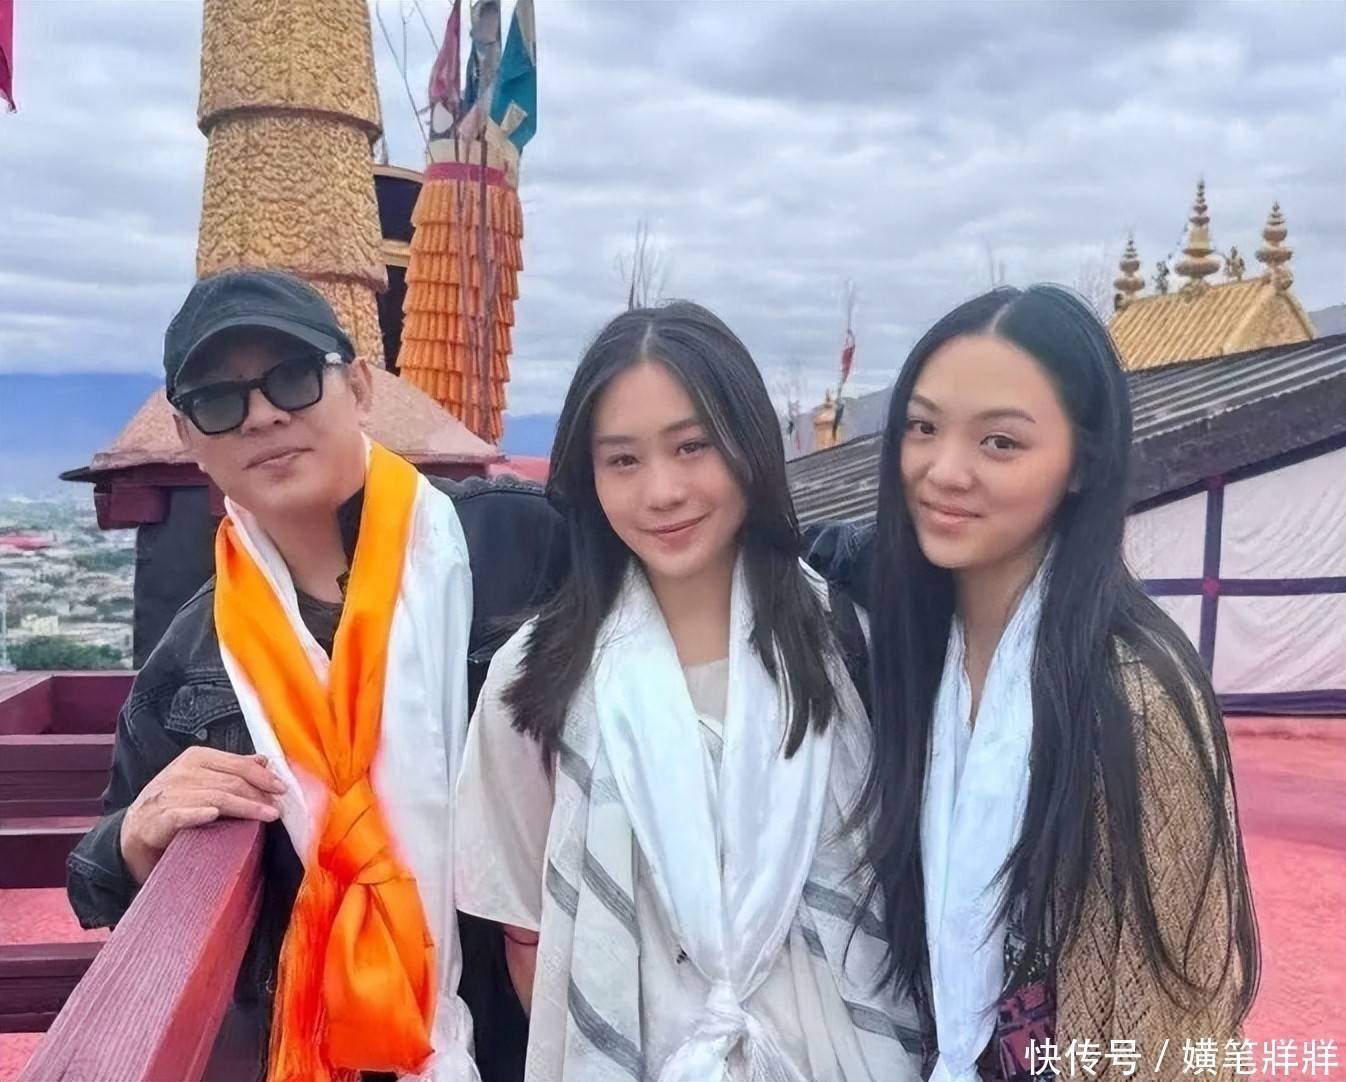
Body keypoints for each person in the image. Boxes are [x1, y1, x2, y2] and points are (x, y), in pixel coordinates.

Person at [66, 269, 565, 1082]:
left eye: (293, 377)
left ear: (359, 387)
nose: (263, 414)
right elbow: (101, 873)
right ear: (190, 439)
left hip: (538, 1035)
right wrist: (131, 838)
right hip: (322, 1047)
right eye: (218, 401)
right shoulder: (191, 659)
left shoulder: (519, 550)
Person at [453, 301, 924, 1082]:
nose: (662, 491)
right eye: (623, 460)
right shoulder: (535, 675)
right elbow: (529, 934)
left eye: (692, 446)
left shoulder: (848, 644)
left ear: (749, 446)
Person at [813, 285, 1259, 1082]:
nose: (944, 471)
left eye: (1000, 443)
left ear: (1081, 465)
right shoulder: (913, 645)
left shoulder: (1134, 698)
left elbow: (1173, 1035)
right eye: (923, 427)